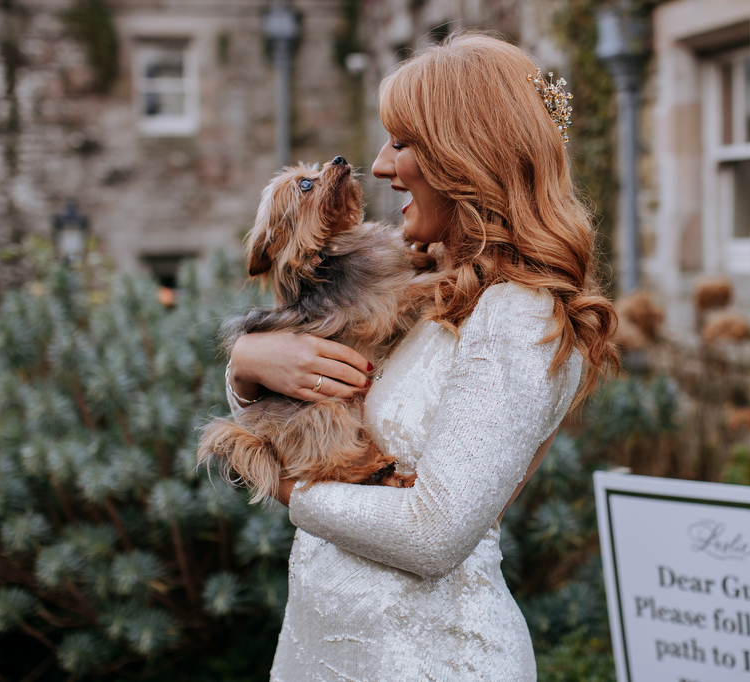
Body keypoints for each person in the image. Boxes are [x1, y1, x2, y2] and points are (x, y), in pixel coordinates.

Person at [227, 31, 619, 681]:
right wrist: (248, 364)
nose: (379, 165)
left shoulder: (518, 314)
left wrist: (293, 491)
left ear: (468, 156)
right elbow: (301, 414)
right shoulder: (416, 288)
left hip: (429, 658)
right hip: (328, 645)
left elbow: (432, 535)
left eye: (402, 143)